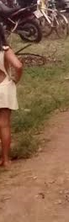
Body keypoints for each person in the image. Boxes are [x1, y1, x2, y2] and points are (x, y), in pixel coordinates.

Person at [0, 24, 24, 168]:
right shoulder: (5, 50)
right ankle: (6, 159)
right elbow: (18, 66)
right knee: (4, 125)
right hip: (3, 87)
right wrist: (15, 79)